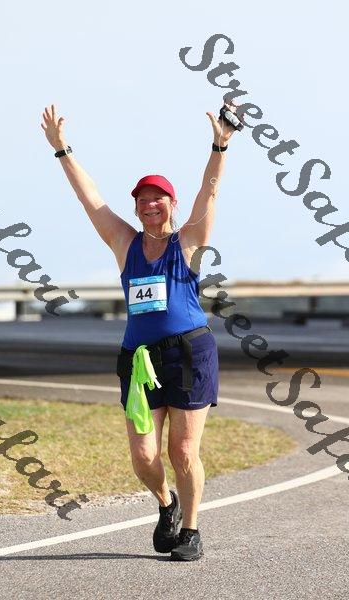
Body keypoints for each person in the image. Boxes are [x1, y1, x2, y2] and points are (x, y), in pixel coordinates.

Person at [41, 101, 243, 561]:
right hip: (139, 359)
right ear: (135, 208)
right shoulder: (124, 243)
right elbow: (90, 199)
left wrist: (220, 146)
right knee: (144, 456)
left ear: (171, 204)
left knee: (183, 451)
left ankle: (191, 530)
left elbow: (209, 194)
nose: (150, 204)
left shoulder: (187, 242)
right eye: (142, 199)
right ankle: (166, 504)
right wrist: (62, 149)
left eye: (158, 197)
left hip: (188, 353)